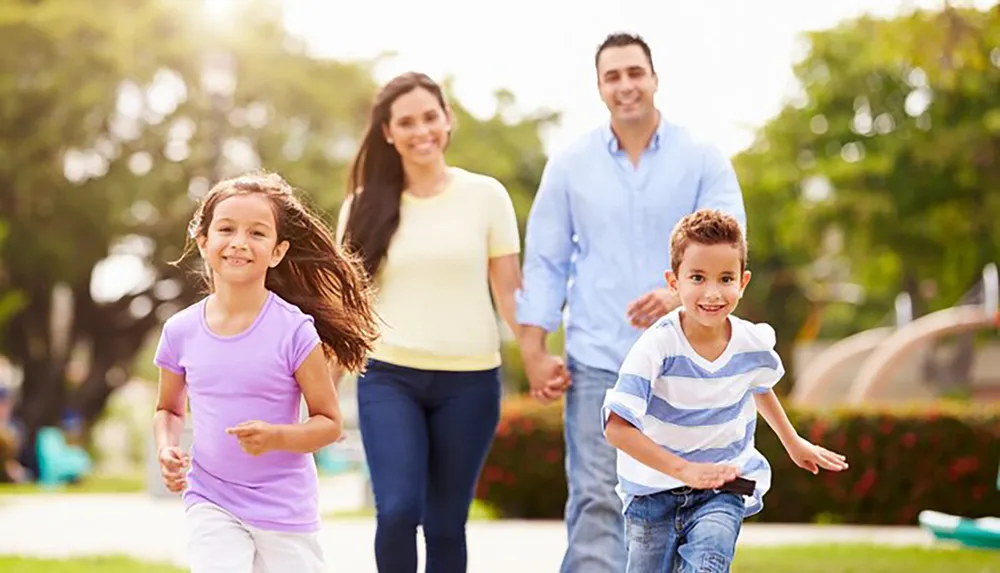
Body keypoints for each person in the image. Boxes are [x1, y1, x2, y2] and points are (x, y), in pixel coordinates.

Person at [516, 32, 747, 572]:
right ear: (599, 88)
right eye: (613, 76)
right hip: (600, 357)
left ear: (654, 78)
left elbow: (730, 243)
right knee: (597, 498)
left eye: (634, 72)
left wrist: (675, 294)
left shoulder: (702, 157)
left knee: (675, 501)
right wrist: (533, 348)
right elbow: (545, 262)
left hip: (685, 364)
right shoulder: (571, 165)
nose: (626, 85)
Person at [336, 71, 523, 573]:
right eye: (406, 122)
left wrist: (539, 355)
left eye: (430, 117)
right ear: (387, 132)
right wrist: (319, 393)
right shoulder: (361, 207)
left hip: (471, 382)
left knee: (445, 525)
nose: (421, 130)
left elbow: (510, 293)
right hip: (388, 377)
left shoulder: (486, 196)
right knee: (397, 510)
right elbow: (346, 308)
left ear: (447, 120)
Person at [152, 171, 379, 573]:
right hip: (212, 497)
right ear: (204, 242)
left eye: (257, 233)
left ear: (277, 251)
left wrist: (278, 436)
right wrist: (166, 448)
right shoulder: (180, 331)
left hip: (285, 508)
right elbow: (168, 409)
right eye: (226, 229)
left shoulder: (294, 330)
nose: (239, 242)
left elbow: (328, 423)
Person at [602, 209, 849, 572]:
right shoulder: (656, 348)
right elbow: (616, 427)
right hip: (651, 494)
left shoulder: (751, 342)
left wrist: (793, 441)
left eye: (726, 279)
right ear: (674, 282)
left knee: (709, 563)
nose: (713, 293)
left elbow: (759, 385)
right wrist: (683, 470)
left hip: (723, 489)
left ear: (743, 281)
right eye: (698, 278)